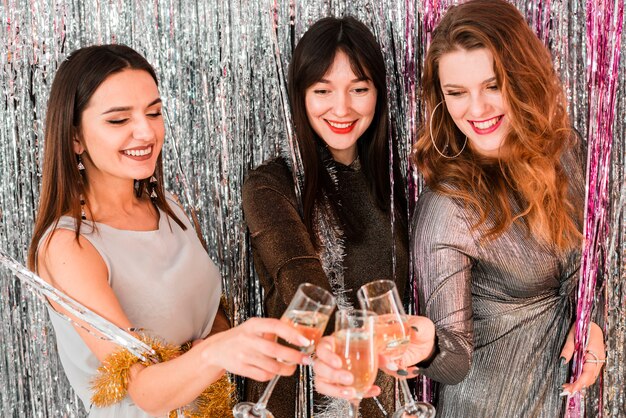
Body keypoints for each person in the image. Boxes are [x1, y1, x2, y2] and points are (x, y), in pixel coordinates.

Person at [312, 1, 606, 416]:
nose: (477, 109)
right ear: (441, 99)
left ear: (524, 79)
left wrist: (591, 321)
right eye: (456, 93)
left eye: (492, 85)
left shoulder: (566, 153)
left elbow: (585, 264)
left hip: (571, 403)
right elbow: (454, 360)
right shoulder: (448, 207)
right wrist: (429, 344)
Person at [27, 44, 313, 418]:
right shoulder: (68, 245)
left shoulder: (169, 208)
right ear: (75, 137)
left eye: (154, 112)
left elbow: (208, 312)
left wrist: (218, 340)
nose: (145, 132)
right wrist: (216, 351)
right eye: (118, 120)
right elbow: (144, 392)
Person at [242, 16, 408, 417]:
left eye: (359, 89)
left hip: (375, 401)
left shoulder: (395, 188)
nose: (342, 108)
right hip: (295, 399)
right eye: (323, 90)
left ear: (378, 94)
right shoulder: (270, 185)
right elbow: (302, 280)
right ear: (300, 96)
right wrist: (336, 352)